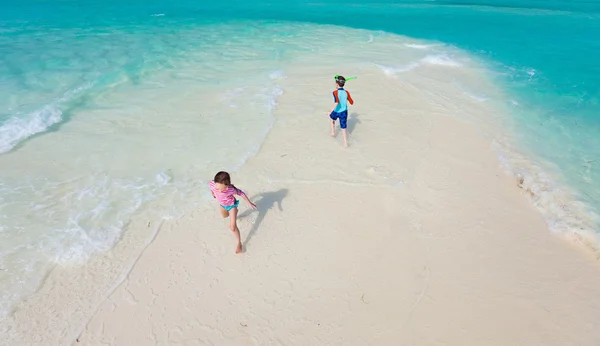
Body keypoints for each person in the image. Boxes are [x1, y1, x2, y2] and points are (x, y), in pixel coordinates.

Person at [209, 171, 257, 254]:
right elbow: (211, 187)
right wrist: (213, 193)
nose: (219, 191)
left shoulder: (231, 189)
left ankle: (239, 243)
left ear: (227, 186)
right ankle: (235, 213)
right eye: (217, 188)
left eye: (222, 189)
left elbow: (241, 193)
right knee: (225, 216)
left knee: (232, 227)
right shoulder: (213, 184)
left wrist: (249, 203)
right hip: (222, 205)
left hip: (231, 206)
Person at [328, 75, 355, 147]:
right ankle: (345, 143)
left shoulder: (335, 92)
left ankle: (333, 132)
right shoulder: (347, 92)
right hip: (344, 112)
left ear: (337, 84)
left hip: (336, 111)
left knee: (331, 118)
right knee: (343, 128)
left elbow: (336, 102)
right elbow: (351, 102)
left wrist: (330, 111)